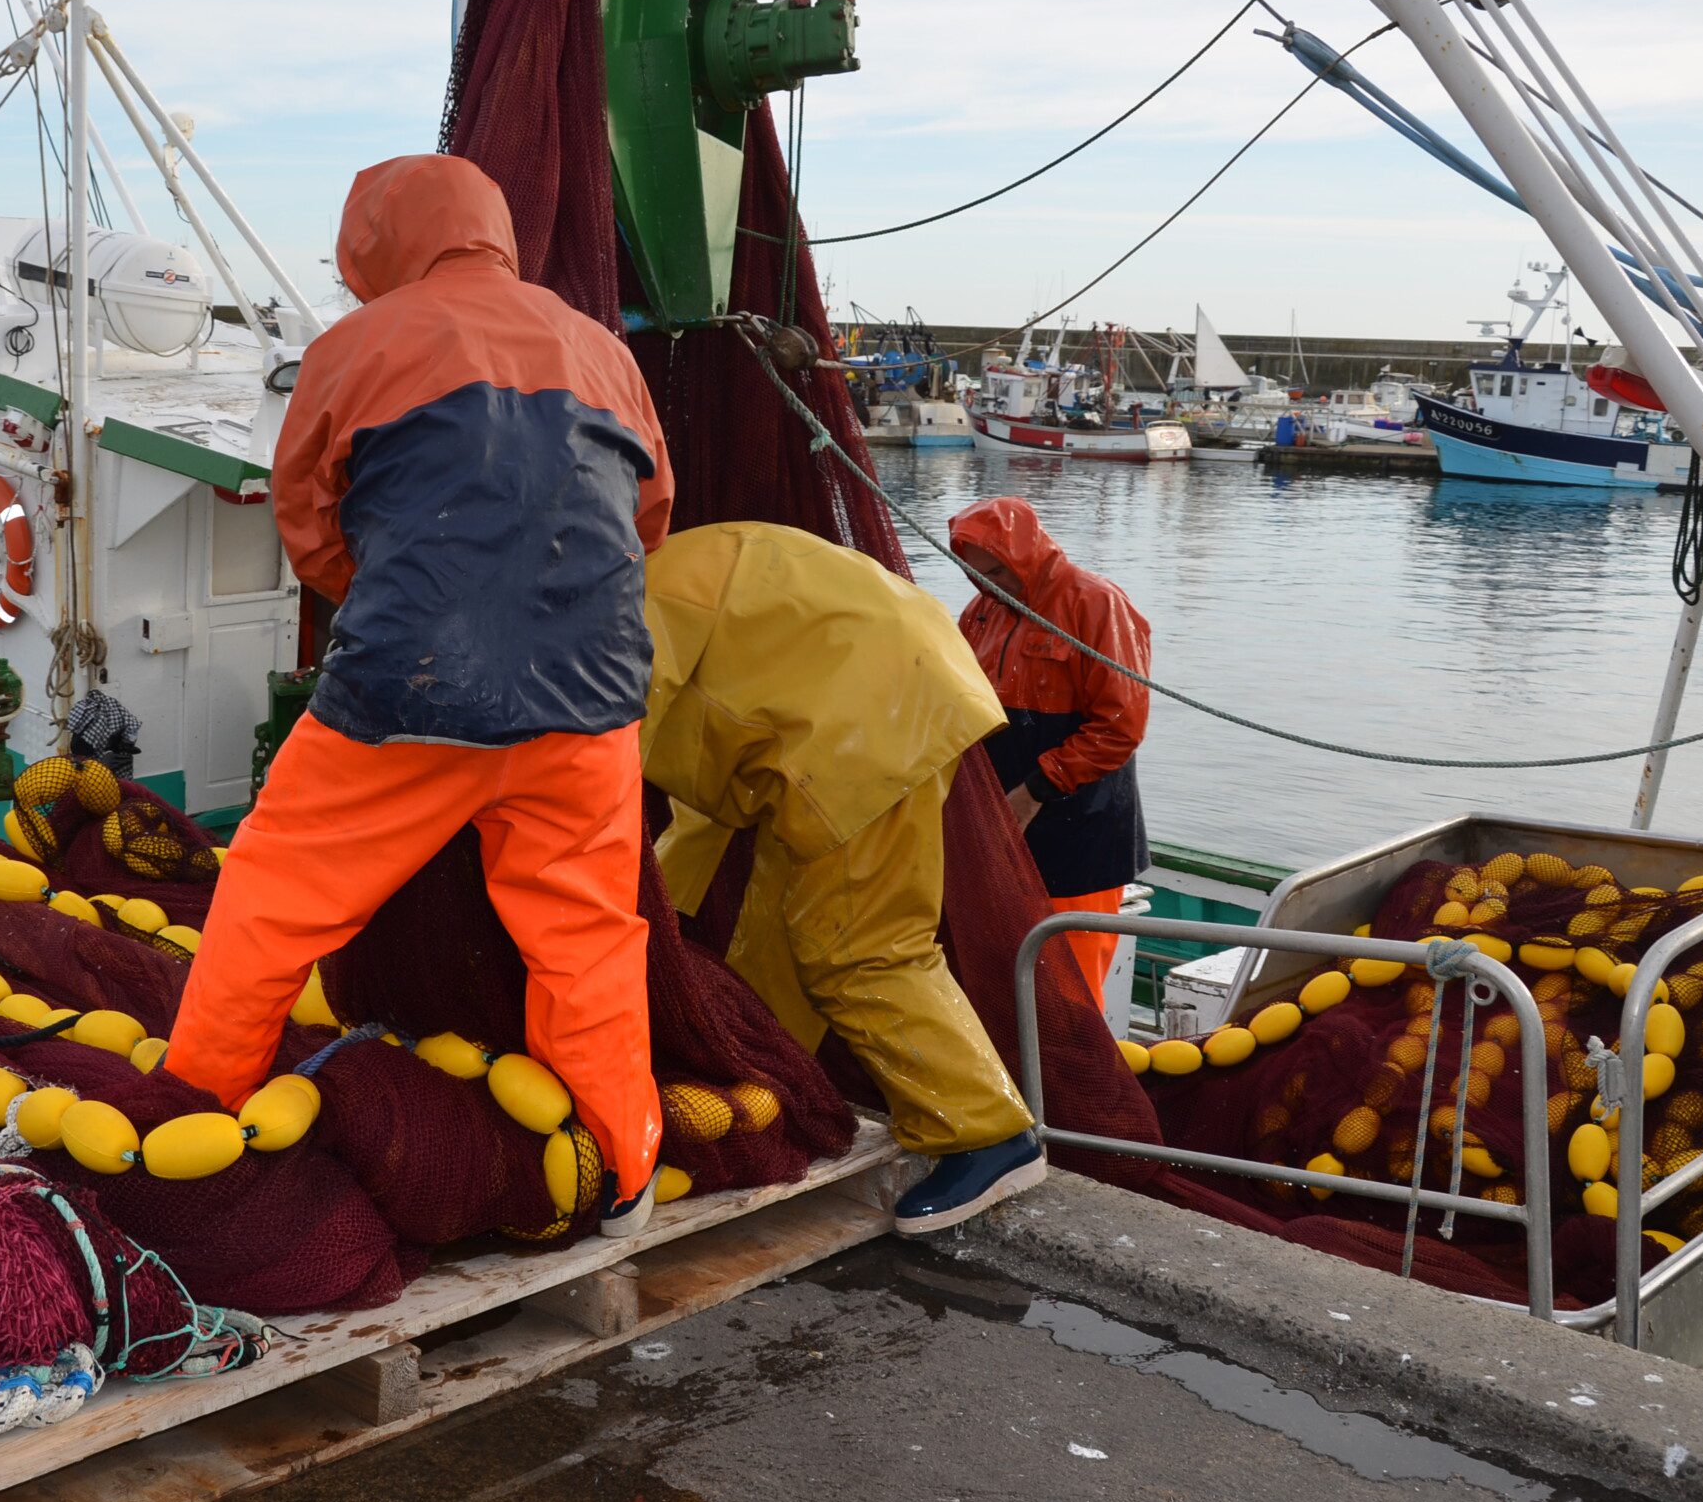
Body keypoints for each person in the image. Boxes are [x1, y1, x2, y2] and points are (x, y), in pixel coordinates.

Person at [164, 154, 672, 1235]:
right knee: (583, 933)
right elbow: (649, 512)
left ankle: (195, 1119)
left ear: (373, 243)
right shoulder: (600, 349)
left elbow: (307, 519)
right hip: (590, 698)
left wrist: (400, 607)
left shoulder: (356, 344)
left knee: (271, 893)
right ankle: (621, 1170)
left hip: (410, 689)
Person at [642, 521, 1046, 1234]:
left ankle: (988, 1135)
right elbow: (697, 796)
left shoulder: (627, 608)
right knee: (772, 941)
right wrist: (662, 915)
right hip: (867, 707)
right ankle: (770, 1095)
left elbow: (600, 758)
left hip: (865, 724)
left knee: (860, 947)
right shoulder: (672, 566)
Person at [946, 496, 1152, 1013]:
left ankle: (1075, 1087)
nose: (989, 583)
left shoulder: (1096, 603)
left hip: (1079, 830)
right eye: (976, 573)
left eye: (998, 570)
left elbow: (1121, 725)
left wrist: (1035, 790)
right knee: (993, 976)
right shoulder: (981, 610)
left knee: (1069, 994)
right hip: (1002, 823)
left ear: (1028, 555)